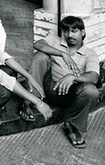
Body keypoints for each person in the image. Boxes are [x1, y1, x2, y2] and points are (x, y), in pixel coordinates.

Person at [20, 16, 100, 148]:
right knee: (41, 56)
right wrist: (62, 54)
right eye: (66, 31)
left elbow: (93, 77)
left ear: (83, 32)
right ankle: (29, 100)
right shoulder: (55, 40)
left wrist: (72, 77)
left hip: (69, 95)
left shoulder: (90, 53)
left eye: (74, 31)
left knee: (90, 90)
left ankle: (72, 125)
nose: (69, 35)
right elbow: (38, 44)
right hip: (48, 87)